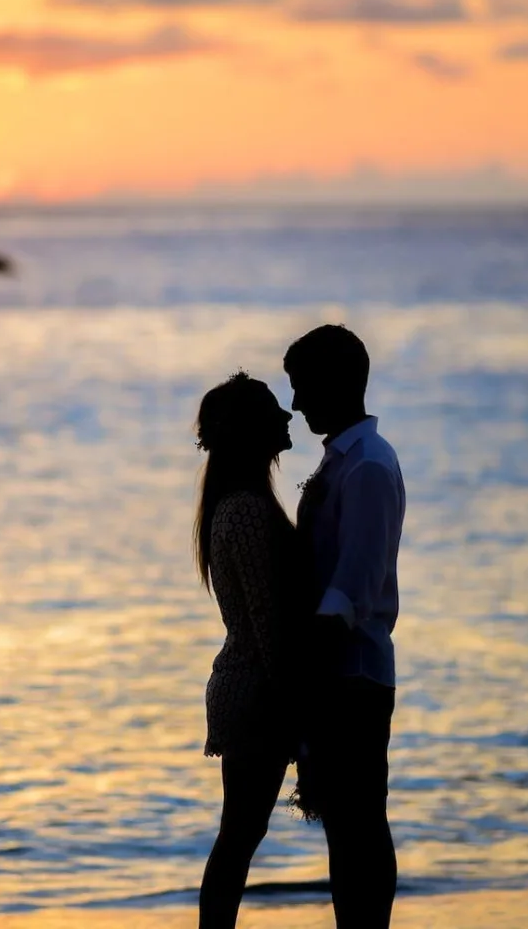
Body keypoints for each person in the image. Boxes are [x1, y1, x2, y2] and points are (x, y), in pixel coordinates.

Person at [284, 324, 405, 929]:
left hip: (352, 671)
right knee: (344, 819)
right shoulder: (344, 460)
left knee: (360, 818)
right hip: (339, 670)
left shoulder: (368, 468)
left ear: (336, 384)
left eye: (303, 386)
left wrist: (304, 668)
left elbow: (352, 586)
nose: (297, 402)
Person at [194, 371, 299, 929]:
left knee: (239, 834)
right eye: (273, 411)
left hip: (247, 685)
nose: (287, 417)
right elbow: (268, 624)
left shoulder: (236, 505)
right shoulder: (248, 512)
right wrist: (298, 709)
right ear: (251, 432)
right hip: (255, 691)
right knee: (238, 837)